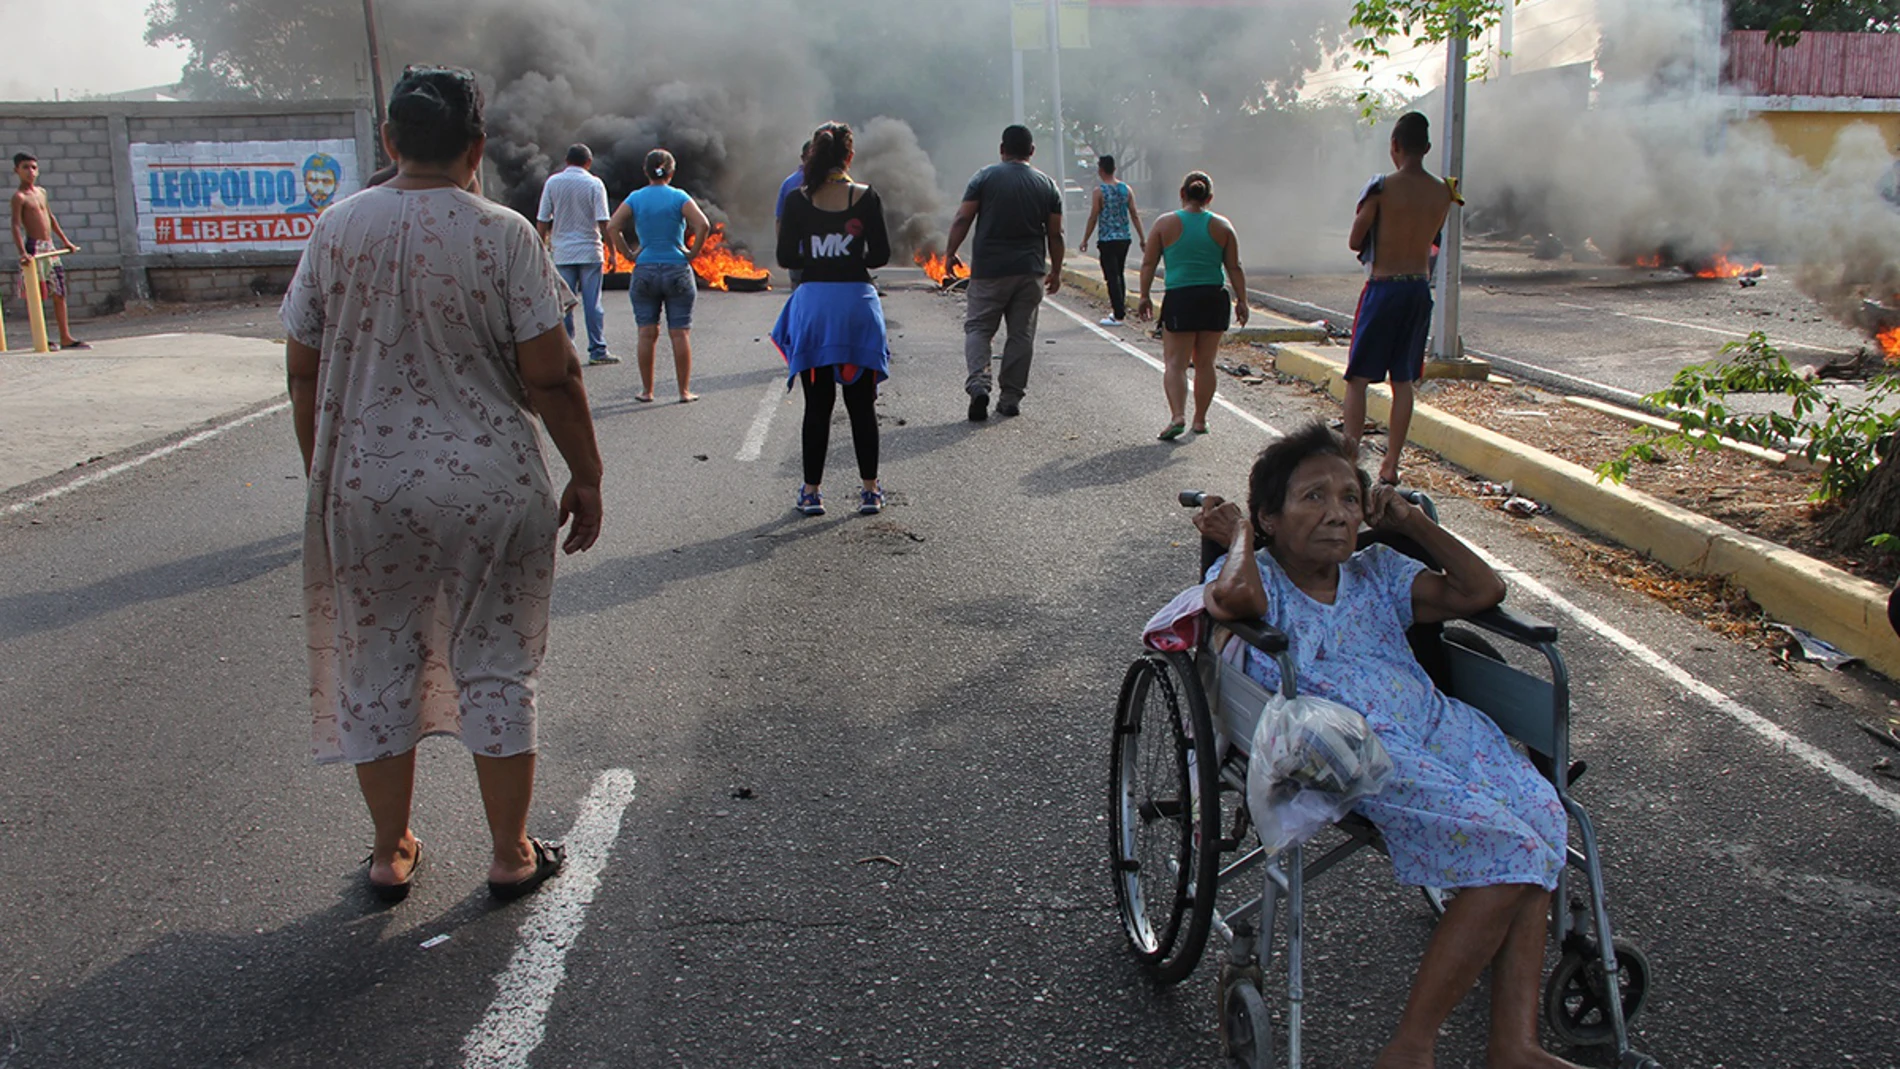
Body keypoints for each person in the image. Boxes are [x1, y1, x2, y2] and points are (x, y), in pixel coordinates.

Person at [280, 65, 605, 906]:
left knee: (380, 660)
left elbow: (302, 369)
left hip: (366, 491)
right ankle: (510, 853)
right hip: (493, 490)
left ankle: (390, 854)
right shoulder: (503, 235)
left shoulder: (336, 229)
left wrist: (329, 471)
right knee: (497, 662)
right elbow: (553, 375)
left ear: (389, 141)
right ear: (477, 148)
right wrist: (588, 474)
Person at [1194, 422, 1579, 1069]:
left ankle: (1515, 1043)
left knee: (1544, 820)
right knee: (1509, 848)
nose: (1337, 513)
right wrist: (1239, 536)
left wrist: (1410, 521)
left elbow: (1482, 592)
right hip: (1353, 746)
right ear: (1269, 515)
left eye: (1349, 497)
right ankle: (1409, 1048)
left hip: (1438, 727)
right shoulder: (1262, 577)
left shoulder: (1379, 571)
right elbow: (1231, 598)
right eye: (1313, 497)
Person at [772, 121, 892, 518]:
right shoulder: (865, 195)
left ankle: (811, 492)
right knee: (861, 405)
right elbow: (880, 256)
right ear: (849, 157)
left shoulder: (796, 199)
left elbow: (786, 258)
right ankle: (870, 491)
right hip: (857, 305)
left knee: (817, 405)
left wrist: (819, 254)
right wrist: (847, 253)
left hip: (815, 307)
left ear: (813, 155)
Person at [1346, 110, 1461, 487]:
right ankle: (1391, 464)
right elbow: (1434, 238)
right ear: (1426, 147)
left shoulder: (1380, 187)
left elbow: (1355, 240)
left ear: (1394, 145)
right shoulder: (1445, 191)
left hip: (1384, 287)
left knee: (1359, 379)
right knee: (1403, 382)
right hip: (1417, 289)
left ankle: (1349, 460)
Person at [942, 124, 1063, 422]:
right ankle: (1010, 397)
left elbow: (962, 218)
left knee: (980, 329)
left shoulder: (984, 178)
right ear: (1031, 151)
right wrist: (1056, 270)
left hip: (989, 271)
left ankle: (979, 385)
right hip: (1030, 271)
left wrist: (950, 253)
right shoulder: (1047, 185)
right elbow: (1056, 234)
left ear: (1001, 149)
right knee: (1021, 334)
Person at [1136, 171, 1248, 440]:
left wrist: (1144, 295)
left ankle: (1178, 416)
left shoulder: (1164, 224)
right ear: (1209, 198)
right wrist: (1242, 301)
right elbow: (1234, 266)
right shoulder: (1223, 226)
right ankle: (1200, 420)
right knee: (1206, 362)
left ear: (1182, 193)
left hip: (1180, 297)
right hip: (1213, 297)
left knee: (1175, 362)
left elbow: (1149, 263)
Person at [608, 148, 711, 403]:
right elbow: (703, 224)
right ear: (672, 171)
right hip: (677, 268)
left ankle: (647, 391)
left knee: (645, 332)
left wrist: (629, 254)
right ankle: (684, 391)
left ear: (646, 171)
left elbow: (612, 226)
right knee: (679, 333)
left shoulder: (636, 197)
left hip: (645, 269)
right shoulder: (679, 197)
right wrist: (691, 252)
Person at [538, 143, 618, 366]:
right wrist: (612, 251)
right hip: (590, 251)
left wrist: (540, 248)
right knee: (593, 303)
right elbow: (604, 221)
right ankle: (597, 350)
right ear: (589, 162)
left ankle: (566, 351)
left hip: (563, 253)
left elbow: (543, 219)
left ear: (566, 161)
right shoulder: (594, 184)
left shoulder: (553, 183)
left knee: (564, 303)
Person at [9, 151, 88, 350]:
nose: (30, 172)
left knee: (59, 292)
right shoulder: (19, 197)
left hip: (50, 247)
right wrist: (22, 253)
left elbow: (50, 219)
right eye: (25, 167)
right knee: (36, 295)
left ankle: (65, 336)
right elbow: (16, 225)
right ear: (16, 170)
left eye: (34, 167)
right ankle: (42, 337)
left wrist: (66, 242)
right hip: (34, 248)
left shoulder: (41, 192)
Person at [1078, 154, 1143, 325]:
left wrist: (1085, 239)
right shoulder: (1126, 189)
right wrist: (1143, 238)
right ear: (1114, 169)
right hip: (1124, 238)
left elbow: (1093, 217)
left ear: (1100, 170)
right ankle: (1120, 309)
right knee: (1119, 273)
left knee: (1111, 275)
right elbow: (1134, 215)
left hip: (1107, 239)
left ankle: (1118, 313)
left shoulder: (1099, 192)